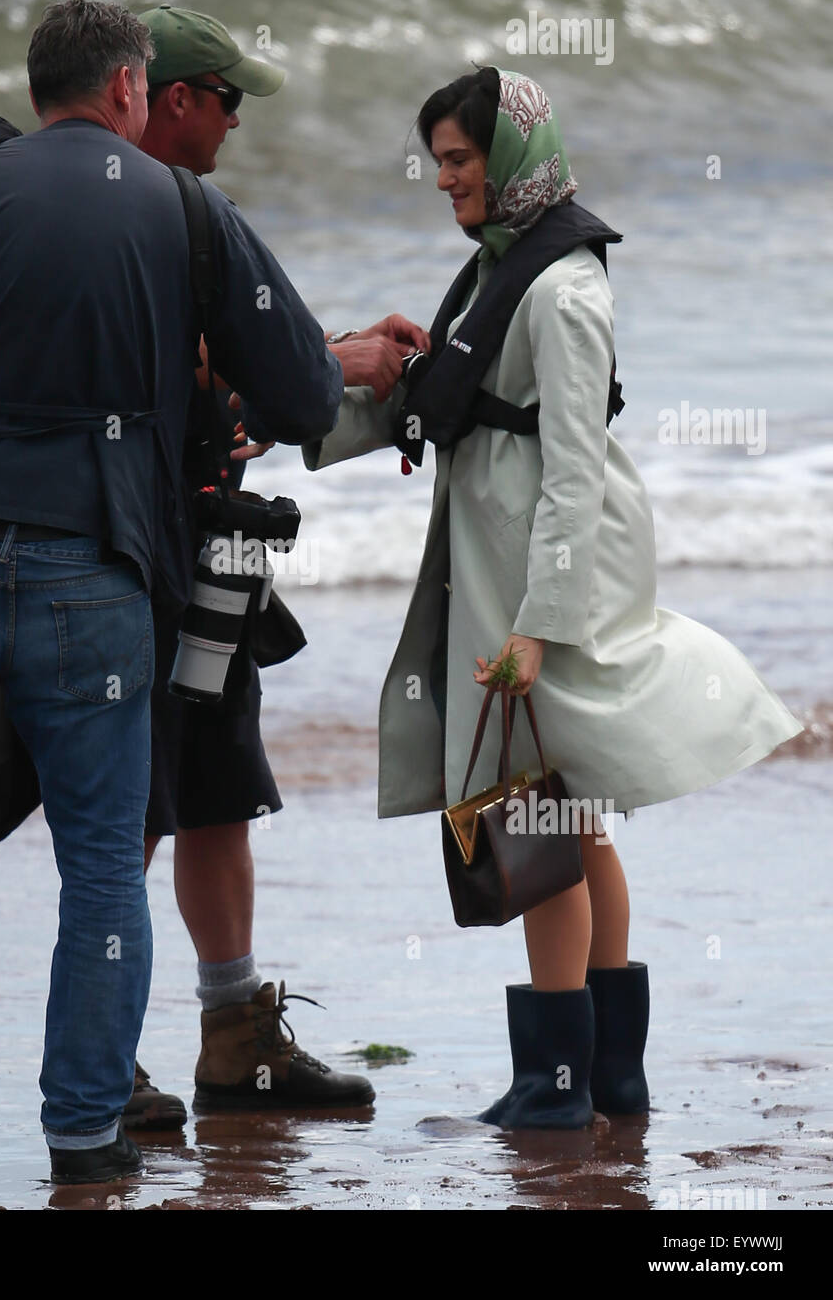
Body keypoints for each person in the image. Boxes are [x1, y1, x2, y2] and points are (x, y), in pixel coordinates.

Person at [0, 0, 343, 1192]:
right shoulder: (188, 211)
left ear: (38, 90)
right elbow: (298, 392)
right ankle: (82, 1137)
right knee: (97, 865)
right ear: (132, 91)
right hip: (98, 580)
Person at [302, 66, 803, 1128]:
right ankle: (607, 1075)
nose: (441, 180)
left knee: (539, 808)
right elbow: (448, 401)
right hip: (507, 543)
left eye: (457, 159)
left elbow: (573, 469)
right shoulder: (498, 268)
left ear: (510, 159)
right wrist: (298, 407)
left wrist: (534, 626)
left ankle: (555, 1082)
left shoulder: (564, 289)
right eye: (435, 160)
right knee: (571, 810)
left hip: (546, 561)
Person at [119, 4, 425, 1124]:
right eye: (228, 99)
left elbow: (239, 382)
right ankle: (105, 1056)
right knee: (141, 802)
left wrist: (325, 354)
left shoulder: (121, 214)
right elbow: (257, 388)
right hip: (143, 552)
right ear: (176, 100)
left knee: (212, 788)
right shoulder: (172, 218)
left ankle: (233, 1037)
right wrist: (331, 362)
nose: (238, 122)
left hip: (189, 538)